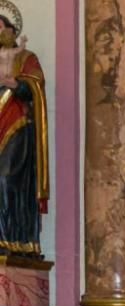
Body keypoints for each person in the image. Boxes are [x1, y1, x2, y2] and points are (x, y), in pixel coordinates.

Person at [0, 2, 48, 257]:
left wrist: (14, 84)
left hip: (16, 127)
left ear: (10, 30)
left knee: (6, 180)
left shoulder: (26, 58)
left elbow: (35, 87)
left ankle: (12, 241)